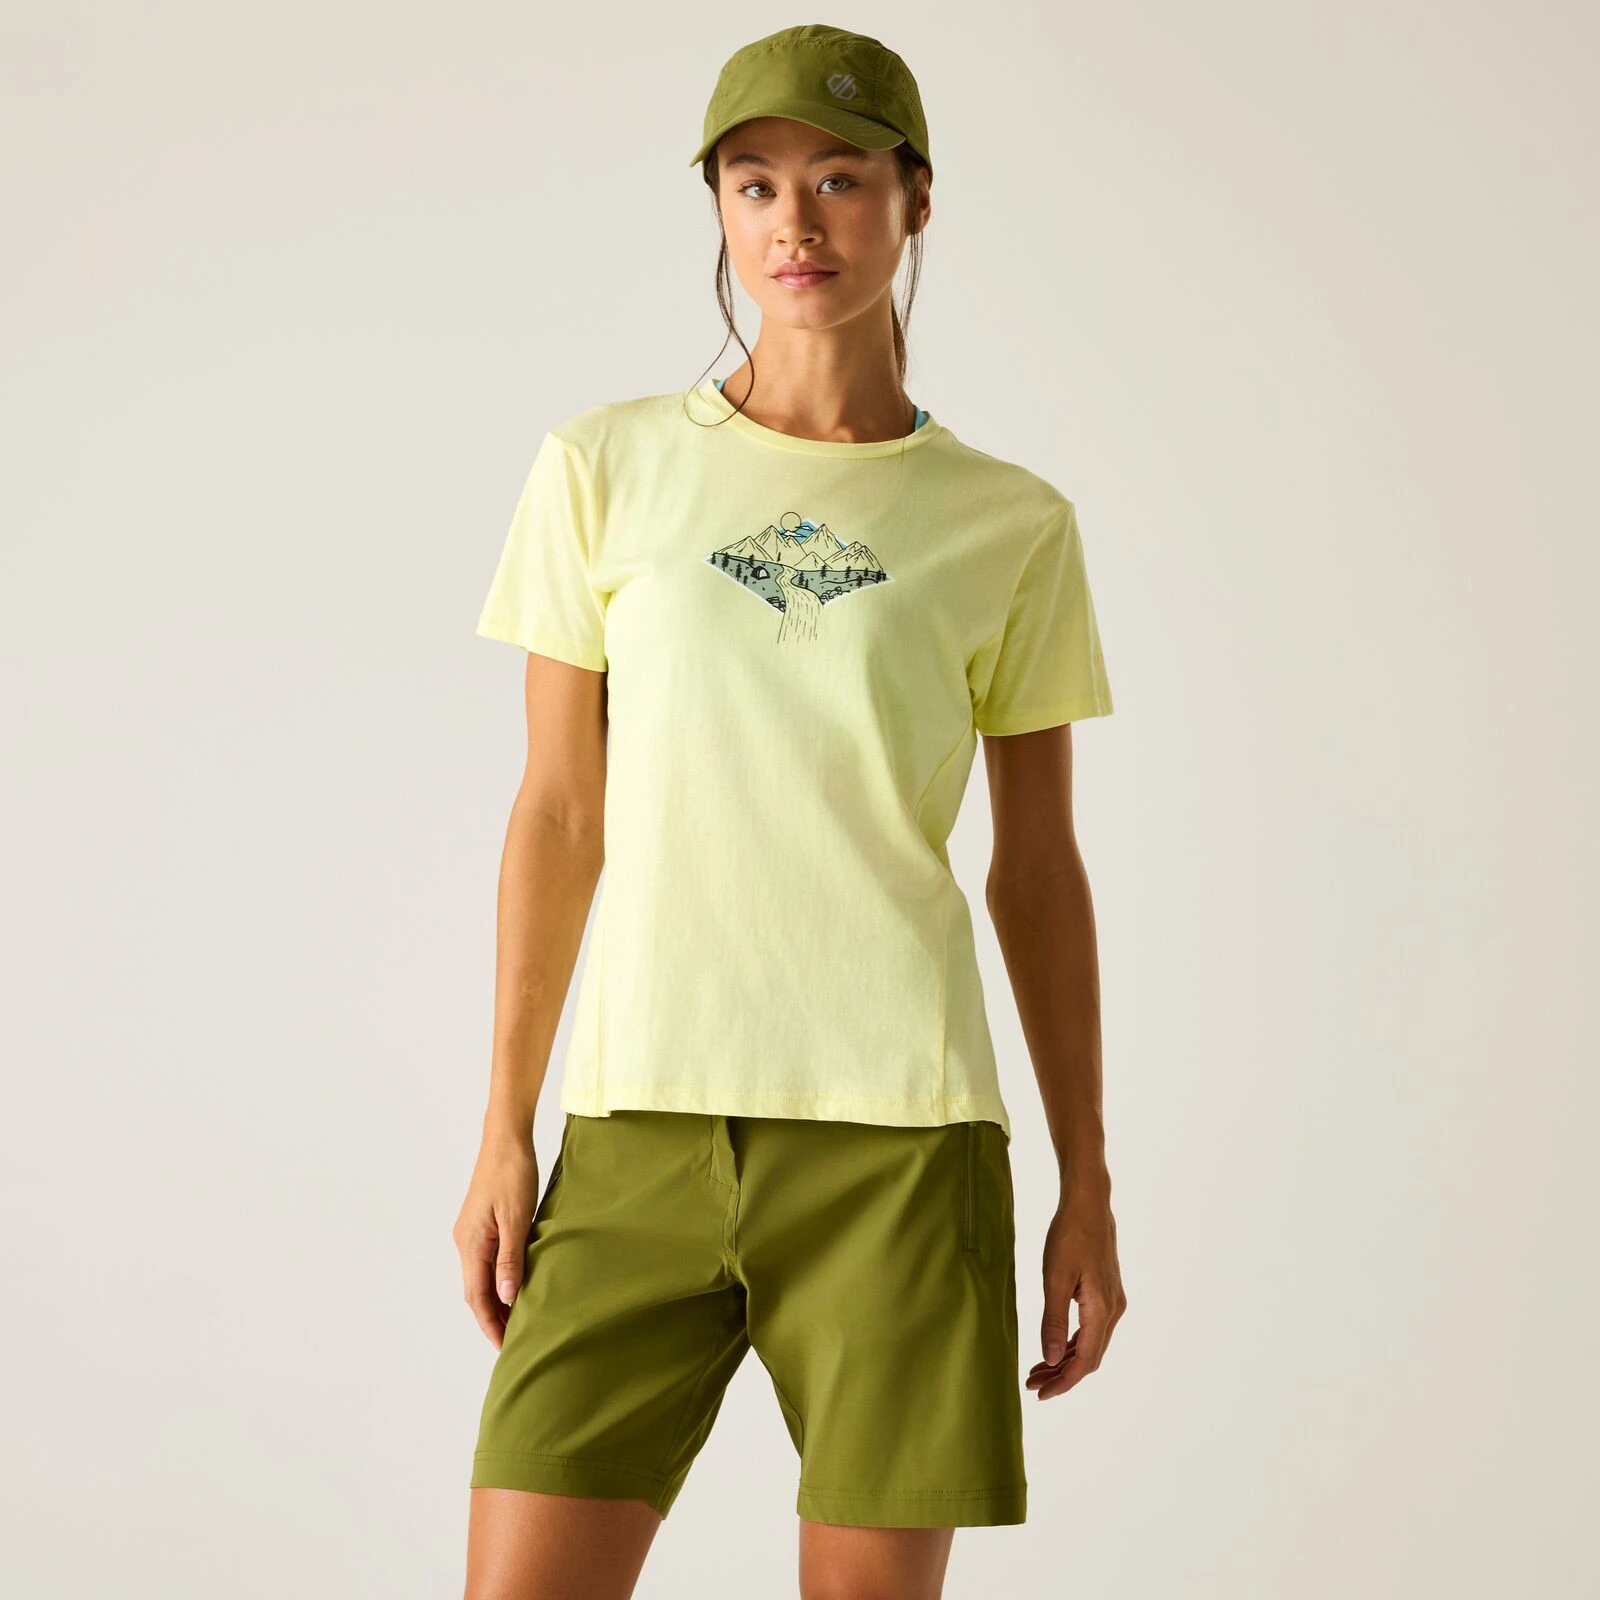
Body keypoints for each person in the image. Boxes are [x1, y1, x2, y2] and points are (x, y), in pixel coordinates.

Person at [453, 23, 1128, 1600]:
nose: (796, 223)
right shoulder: (603, 469)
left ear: (916, 200)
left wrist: (1086, 1179)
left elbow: (1038, 872)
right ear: (717, 205)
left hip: (903, 1145)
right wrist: (503, 1124)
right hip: (637, 1130)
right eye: (755, 184)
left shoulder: (1011, 524)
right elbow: (558, 815)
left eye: (840, 179)